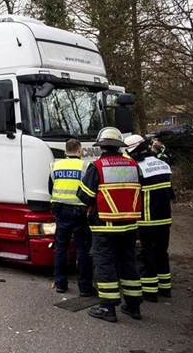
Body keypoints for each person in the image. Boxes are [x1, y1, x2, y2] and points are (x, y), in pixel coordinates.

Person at [77, 127, 143, 323]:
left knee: (105, 264)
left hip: (105, 226)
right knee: (128, 263)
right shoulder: (133, 165)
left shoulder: (97, 167)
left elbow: (85, 196)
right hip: (130, 225)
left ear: (102, 146)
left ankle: (107, 307)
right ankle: (133, 306)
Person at [125, 134, 175, 301]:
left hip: (147, 219)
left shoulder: (138, 168)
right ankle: (165, 288)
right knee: (162, 252)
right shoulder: (162, 163)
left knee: (148, 255)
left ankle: (150, 292)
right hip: (165, 218)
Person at [48, 138, 93, 296]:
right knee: (83, 250)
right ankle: (85, 287)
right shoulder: (85, 166)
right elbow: (89, 191)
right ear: (79, 150)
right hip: (79, 212)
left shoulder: (55, 165)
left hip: (60, 211)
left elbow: (51, 188)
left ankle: (60, 284)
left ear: (66, 150)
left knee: (61, 248)